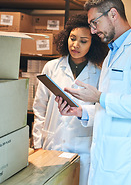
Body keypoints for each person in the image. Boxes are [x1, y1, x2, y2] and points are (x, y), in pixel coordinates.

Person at [56, 0, 131, 185]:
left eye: (94, 23)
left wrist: (99, 97)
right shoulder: (111, 55)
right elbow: (114, 106)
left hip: (129, 165)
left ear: (113, 14)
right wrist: (82, 111)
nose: (91, 30)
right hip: (109, 160)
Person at [32, 13, 108, 185]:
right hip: (52, 144)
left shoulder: (98, 74)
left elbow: (101, 112)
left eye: (83, 41)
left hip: (83, 149)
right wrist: (37, 142)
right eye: (72, 38)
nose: (76, 45)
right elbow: (39, 108)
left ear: (92, 43)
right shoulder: (51, 67)